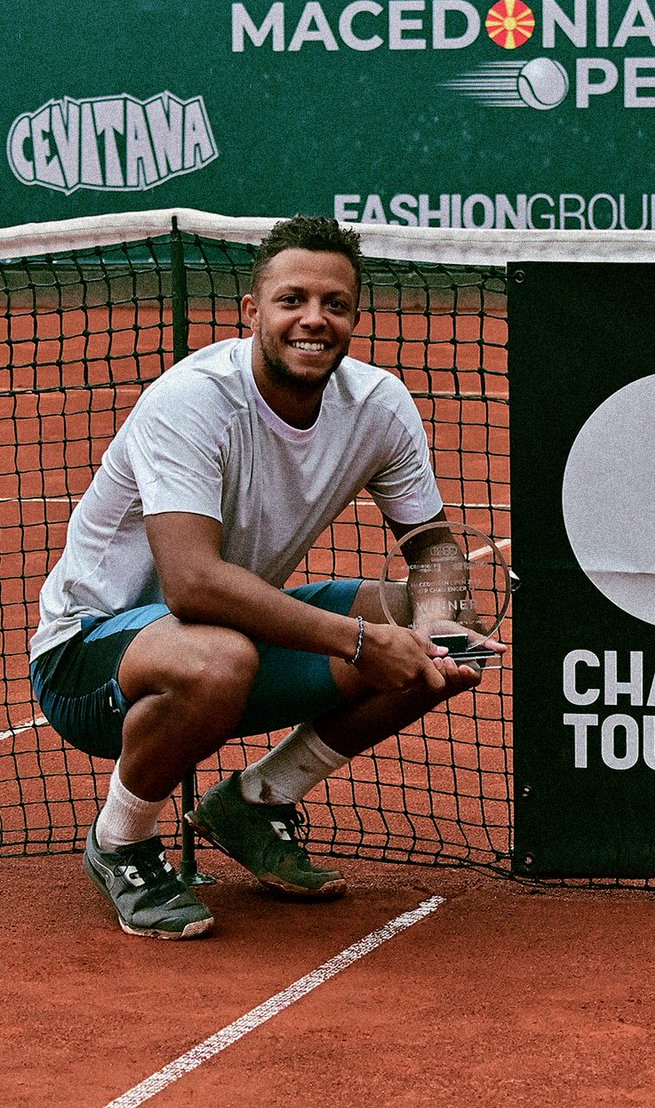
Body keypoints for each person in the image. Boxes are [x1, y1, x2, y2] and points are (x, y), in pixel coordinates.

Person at [29, 215, 503, 940]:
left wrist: (437, 617)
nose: (313, 319)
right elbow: (190, 584)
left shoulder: (378, 407)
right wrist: (356, 642)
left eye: (335, 304)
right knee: (221, 656)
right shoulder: (193, 401)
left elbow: (435, 548)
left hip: (228, 641)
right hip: (88, 657)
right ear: (252, 312)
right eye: (292, 300)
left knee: (452, 636)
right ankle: (121, 841)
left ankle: (256, 801)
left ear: (353, 316)